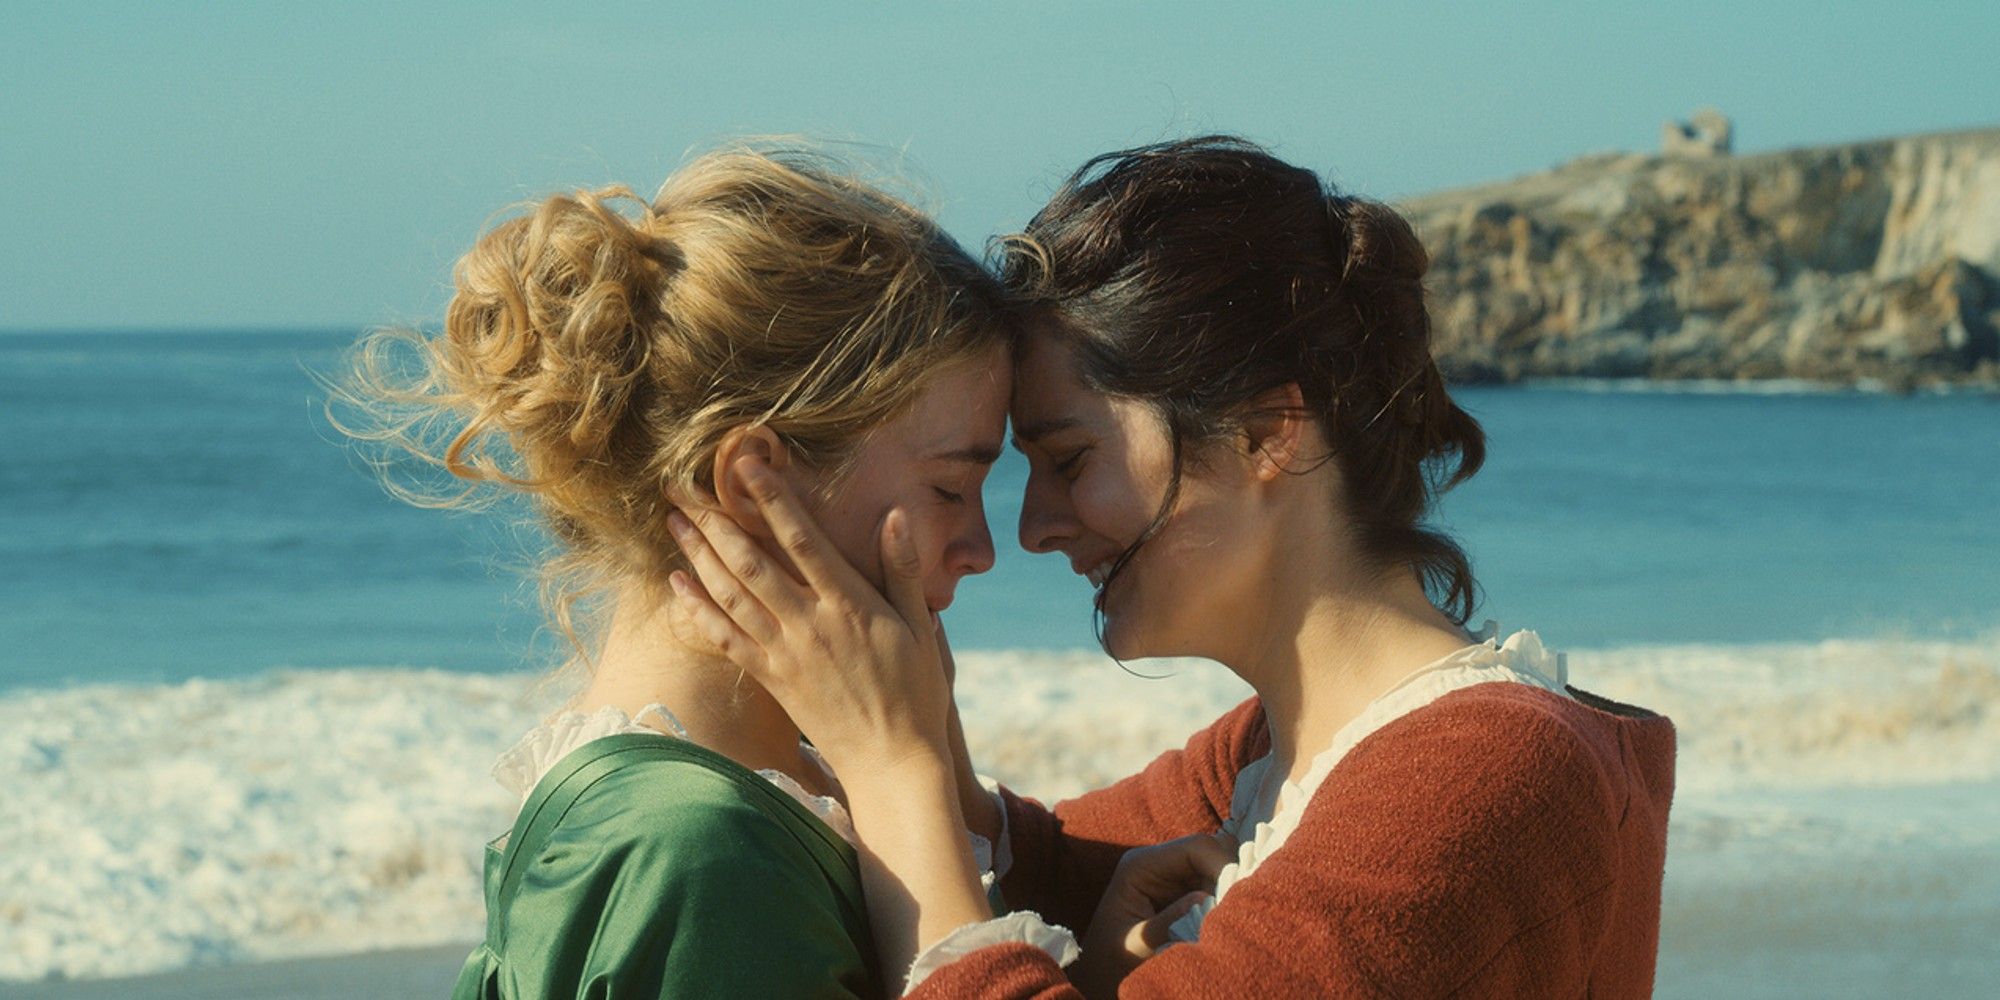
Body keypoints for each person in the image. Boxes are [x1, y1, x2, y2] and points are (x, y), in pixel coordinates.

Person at [670, 137, 1678, 998]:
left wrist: (894, 766)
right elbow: (1046, 864)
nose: (1030, 528)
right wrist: (901, 704)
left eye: (1068, 462)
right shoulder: (1259, 758)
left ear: (1261, 433)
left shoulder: (1479, 778)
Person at [336, 145, 1018, 998]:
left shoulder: (770, 797)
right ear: (752, 484)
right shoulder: (700, 856)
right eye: (951, 486)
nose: (984, 548)